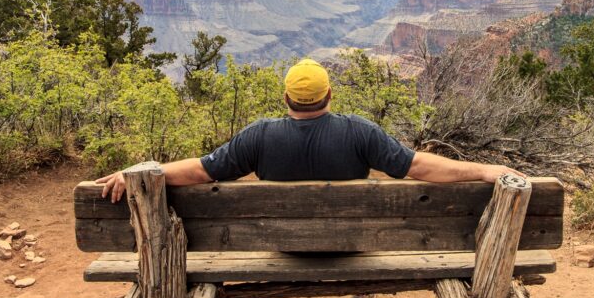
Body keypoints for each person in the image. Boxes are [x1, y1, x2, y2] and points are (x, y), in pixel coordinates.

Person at [98, 58, 524, 202]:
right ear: (329, 95)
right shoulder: (360, 132)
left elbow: (199, 172)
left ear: (286, 99)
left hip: (278, 244)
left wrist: (143, 169)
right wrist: (484, 170)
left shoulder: (258, 135)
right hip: (352, 243)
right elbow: (421, 168)